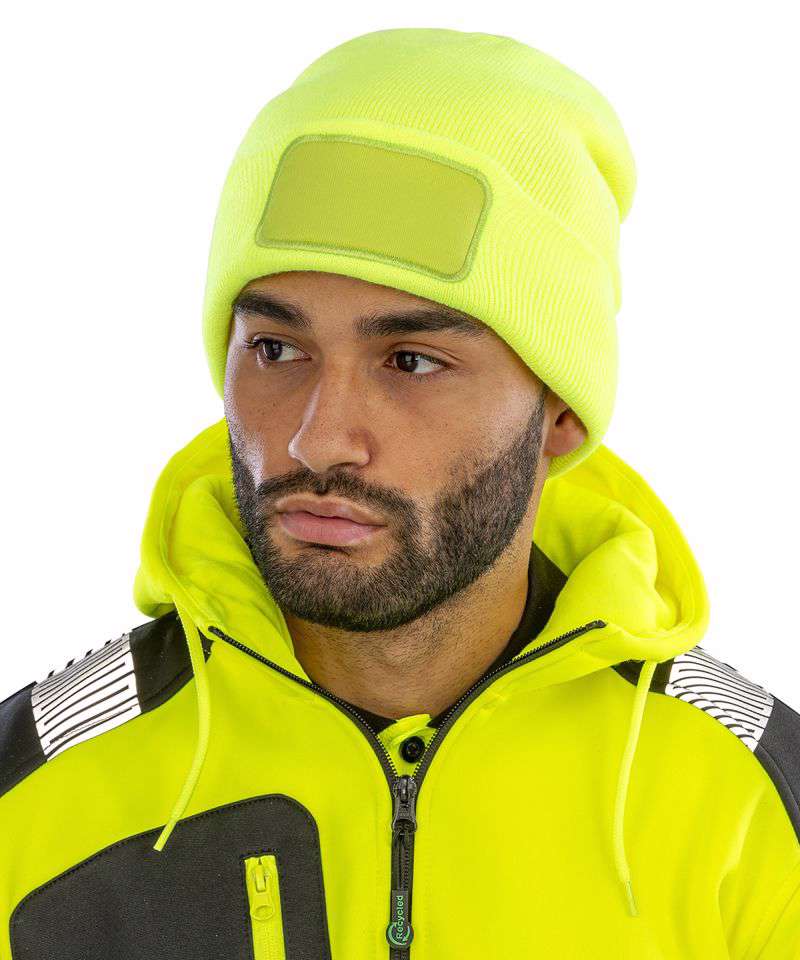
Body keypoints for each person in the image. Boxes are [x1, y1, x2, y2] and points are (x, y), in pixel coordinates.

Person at [1, 26, 799, 960]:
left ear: (560, 414)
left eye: (411, 361)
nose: (316, 439)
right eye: (277, 349)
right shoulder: (33, 794)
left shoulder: (753, 807)